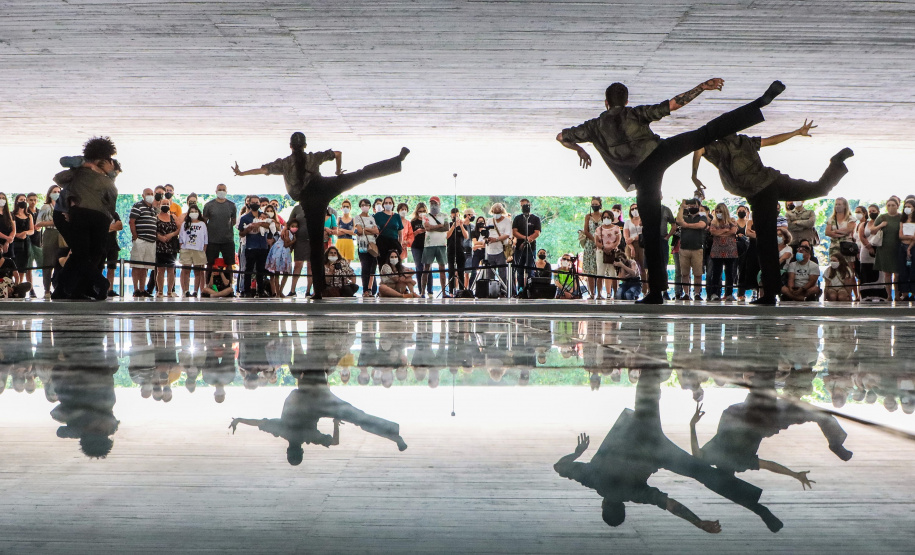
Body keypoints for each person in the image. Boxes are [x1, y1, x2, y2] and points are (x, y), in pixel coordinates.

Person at [559, 79, 784, 304]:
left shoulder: (593, 126)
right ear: (626, 101)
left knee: (651, 232)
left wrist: (579, 148)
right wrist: (701, 87)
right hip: (659, 154)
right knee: (706, 132)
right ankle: (760, 103)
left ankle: (656, 292)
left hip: (642, 174)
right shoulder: (635, 113)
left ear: (606, 102)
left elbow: (561, 137)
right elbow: (674, 104)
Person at [554, 368, 783, 533]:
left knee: (701, 471)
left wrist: (698, 522)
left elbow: (671, 505)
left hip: (656, 449)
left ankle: (758, 508)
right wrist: (578, 452)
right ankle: (652, 361)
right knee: (647, 387)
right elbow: (560, 466)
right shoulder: (592, 480)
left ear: (622, 507)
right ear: (603, 506)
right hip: (638, 429)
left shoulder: (634, 494)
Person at [691, 119, 853, 304]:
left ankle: (769, 294)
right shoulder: (742, 141)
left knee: (766, 244)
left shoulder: (722, 146)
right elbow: (771, 140)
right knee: (818, 189)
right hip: (774, 181)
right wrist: (795, 132)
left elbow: (699, 149)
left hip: (761, 193)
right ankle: (836, 164)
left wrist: (694, 174)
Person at [232, 132, 408, 299]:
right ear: (305, 145)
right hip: (325, 187)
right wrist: (338, 172)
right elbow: (338, 153)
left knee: (316, 247)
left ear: (291, 146)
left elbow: (262, 170)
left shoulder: (284, 163)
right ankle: (396, 162)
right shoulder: (313, 156)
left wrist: (241, 173)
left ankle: (318, 291)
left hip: (309, 200)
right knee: (360, 175)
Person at [52, 137, 120, 300]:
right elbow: (60, 176)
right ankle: (90, 285)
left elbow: (109, 198)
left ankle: (69, 289)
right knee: (82, 253)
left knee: (85, 253)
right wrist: (84, 164)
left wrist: (109, 174)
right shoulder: (81, 169)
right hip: (66, 213)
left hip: (81, 215)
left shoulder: (106, 178)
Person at [202, 183, 237, 291]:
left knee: (230, 264)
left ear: (226, 191)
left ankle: (229, 286)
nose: (221, 191)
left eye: (223, 189)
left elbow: (234, 221)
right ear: (216, 191)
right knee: (209, 264)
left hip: (228, 240)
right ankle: (207, 286)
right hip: (212, 240)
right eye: (219, 189)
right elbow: (204, 220)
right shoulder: (209, 205)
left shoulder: (231, 205)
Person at [238, 197, 271, 297]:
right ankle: (247, 290)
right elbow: (241, 233)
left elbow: (271, 226)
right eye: (253, 202)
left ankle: (260, 290)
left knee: (261, 270)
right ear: (249, 204)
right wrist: (248, 229)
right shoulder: (244, 218)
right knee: (249, 269)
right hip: (251, 247)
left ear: (259, 203)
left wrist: (260, 224)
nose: (255, 204)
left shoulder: (264, 216)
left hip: (263, 246)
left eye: (257, 202)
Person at [676, 199, 708, 301]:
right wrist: (682, 207)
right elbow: (678, 221)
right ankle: (686, 293)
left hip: (697, 248)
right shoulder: (685, 216)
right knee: (684, 273)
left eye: (694, 205)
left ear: (698, 206)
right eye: (689, 205)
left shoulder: (702, 216)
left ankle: (697, 293)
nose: (692, 207)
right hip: (684, 248)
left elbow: (702, 225)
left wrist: (687, 225)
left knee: (698, 273)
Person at [128, 188, 157, 297]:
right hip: (140, 240)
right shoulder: (137, 206)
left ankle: (142, 289)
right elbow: (132, 221)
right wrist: (135, 237)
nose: (150, 195)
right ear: (143, 195)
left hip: (151, 241)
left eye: (151, 194)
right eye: (148, 194)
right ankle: (136, 289)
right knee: (137, 265)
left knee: (145, 266)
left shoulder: (153, 208)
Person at [707, 204, 739, 302]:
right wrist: (725, 230)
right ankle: (714, 293)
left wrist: (720, 231)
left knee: (729, 272)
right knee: (716, 272)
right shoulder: (714, 222)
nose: (718, 214)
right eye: (716, 212)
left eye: (720, 212)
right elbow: (713, 232)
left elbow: (733, 231)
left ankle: (729, 294)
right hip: (717, 250)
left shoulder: (732, 221)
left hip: (730, 250)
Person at [35, 185, 61, 298]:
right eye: (54, 191)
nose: (57, 193)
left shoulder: (63, 206)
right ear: (50, 193)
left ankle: (58, 287)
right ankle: (46, 289)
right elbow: (38, 224)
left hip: (61, 234)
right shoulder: (46, 207)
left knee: (60, 261)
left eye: (58, 191)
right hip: (50, 234)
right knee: (48, 262)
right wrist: (53, 222)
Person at [872, 197, 901, 300]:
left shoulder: (901, 217)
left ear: (898, 206)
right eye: (888, 205)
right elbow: (872, 231)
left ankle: (897, 294)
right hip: (884, 249)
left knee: (897, 274)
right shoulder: (882, 217)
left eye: (893, 205)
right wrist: (881, 225)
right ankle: (889, 295)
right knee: (887, 274)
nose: (891, 207)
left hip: (898, 249)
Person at [511, 198, 541, 294]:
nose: (524, 207)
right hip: (519, 248)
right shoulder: (517, 218)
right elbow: (514, 232)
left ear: (529, 205)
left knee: (530, 270)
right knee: (519, 270)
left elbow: (537, 232)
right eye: (522, 205)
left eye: (525, 205)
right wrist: (524, 238)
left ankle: (530, 289)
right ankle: (520, 289)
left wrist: (529, 239)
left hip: (531, 248)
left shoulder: (535, 219)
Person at [420, 196, 448, 296]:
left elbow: (446, 228)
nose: (433, 205)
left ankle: (444, 292)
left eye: (435, 203)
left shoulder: (444, 215)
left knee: (442, 268)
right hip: (429, 245)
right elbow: (427, 228)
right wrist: (439, 226)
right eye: (432, 203)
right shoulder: (425, 216)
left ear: (439, 204)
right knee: (426, 268)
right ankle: (423, 292)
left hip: (441, 245)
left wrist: (434, 227)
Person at [178, 204, 208, 297]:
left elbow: (205, 238)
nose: (194, 213)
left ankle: (195, 291)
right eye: (192, 211)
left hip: (198, 250)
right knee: (186, 271)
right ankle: (186, 291)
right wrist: (182, 246)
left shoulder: (202, 224)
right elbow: (181, 236)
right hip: (186, 249)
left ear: (198, 213)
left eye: (195, 211)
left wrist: (204, 249)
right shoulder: (185, 224)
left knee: (198, 272)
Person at [594, 209, 622, 299]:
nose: (606, 219)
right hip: (601, 252)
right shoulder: (599, 229)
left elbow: (618, 241)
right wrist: (604, 248)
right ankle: (599, 294)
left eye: (608, 217)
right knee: (600, 274)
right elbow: (596, 241)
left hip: (613, 253)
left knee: (613, 274)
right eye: (604, 217)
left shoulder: (616, 228)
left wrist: (611, 247)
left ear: (611, 218)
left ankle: (615, 293)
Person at [354, 198, 379, 297]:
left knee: (372, 267)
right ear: (360, 206)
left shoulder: (372, 218)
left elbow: (376, 231)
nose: (365, 206)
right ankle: (365, 290)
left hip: (372, 245)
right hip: (363, 245)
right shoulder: (357, 217)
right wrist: (369, 230)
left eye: (367, 205)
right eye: (363, 205)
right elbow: (359, 231)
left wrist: (365, 229)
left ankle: (370, 289)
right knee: (365, 267)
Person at [485, 202, 513, 292]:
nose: (496, 215)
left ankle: (504, 291)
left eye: (498, 213)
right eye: (495, 213)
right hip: (490, 250)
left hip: (501, 250)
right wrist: (487, 239)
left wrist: (496, 239)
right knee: (489, 274)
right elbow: (485, 233)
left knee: (502, 273)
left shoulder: (507, 221)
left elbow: (507, 234)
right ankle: (491, 291)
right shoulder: (489, 221)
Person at [155, 199, 180, 298]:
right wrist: (159, 237)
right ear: (159, 205)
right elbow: (153, 229)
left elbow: (179, 229)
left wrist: (171, 234)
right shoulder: (155, 217)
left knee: (171, 269)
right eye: (163, 204)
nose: (165, 205)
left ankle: (170, 291)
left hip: (171, 247)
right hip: (160, 246)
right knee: (160, 270)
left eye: (167, 204)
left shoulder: (173, 217)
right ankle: (160, 291)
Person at [266, 208, 294, 297]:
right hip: (279, 252)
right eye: (292, 226)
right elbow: (286, 244)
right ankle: (277, 292)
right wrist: (294, 241)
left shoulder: (292, 233)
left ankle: (280, 291)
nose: (294, 228)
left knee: (286, 272)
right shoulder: (286, 231)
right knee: (277, 272)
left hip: (286, 253)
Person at [408, 202, 432, 298]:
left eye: (423, 211)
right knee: (419, 268)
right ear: (417, 212)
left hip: (428, 245)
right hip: (416, 246)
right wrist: (416, 232)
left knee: (428, 269)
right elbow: (409, 236)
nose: (422, 213)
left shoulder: (429, 220)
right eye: (420, 211)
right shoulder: (413, 222)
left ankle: (430, 290)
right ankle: (421, 290)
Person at [286, 203, 310, 296]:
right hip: (299, 240)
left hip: (312, 241)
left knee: (310, 266)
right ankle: (292, 290)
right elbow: (289, 223)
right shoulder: (297, 208)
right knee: (298, 265)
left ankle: (308, 291)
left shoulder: (316, 206)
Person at [734, 205, 757, 301]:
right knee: (742, 270)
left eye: (744, 210)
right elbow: (748, 233)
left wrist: (755, 234)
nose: (742, 212)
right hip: (743, 249)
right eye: (740, 210)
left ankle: (756, 293)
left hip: (756, 248)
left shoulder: (751, 221)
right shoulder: (748, 222)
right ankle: (740, 294)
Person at [623, 203, 647, 294]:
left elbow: (644, 234)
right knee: (630, 269)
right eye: (632, 209)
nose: (634, 210)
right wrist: (631, 247)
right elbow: (626, 238)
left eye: (636, 208)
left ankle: (645, 290)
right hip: (630, 246)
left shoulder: (644, 220)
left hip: (642, 245)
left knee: (643, 269)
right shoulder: (628, 222)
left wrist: (634, 238)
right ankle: (631, 291)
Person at [10, 194, 34, 286]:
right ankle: (13, 285)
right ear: (17, 201)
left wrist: (25, 233)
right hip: (14, 242)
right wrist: (17, 235)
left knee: (23, 266)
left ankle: (19, 286)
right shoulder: (12, 214)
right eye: (21, 199)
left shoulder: (29, 215)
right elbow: (10, 229)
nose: (23, 201)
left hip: (25, 243)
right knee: (14, 264)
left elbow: (32, 230)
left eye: (24, 199)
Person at [825, 197, 856, 267]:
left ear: (845, 206)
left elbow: (849, 230)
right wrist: (840, 233)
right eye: (836, 204)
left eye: (839, 204)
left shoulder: (850, 218)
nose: (837, 206)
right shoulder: (831, 219)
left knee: (849, 268)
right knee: (835, 267)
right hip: (834, 247)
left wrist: (835, 232)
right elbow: (827, 232)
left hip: (847, 247)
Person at [446, 207, 470, 295]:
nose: (454, 218)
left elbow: (466, 236)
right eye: (453, 217)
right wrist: (453, 226)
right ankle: (451, 291)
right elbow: (447, 236)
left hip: (460, 250)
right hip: (450, 250)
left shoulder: (462, 225)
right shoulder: (449, 225)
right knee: (451, 271)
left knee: (461, 271)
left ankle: (461, 290)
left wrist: (461, 225)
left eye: (456, 216)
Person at [581, 197, 602, 298]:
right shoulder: (588, 216)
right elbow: (586, 230)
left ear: (600, 204)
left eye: (596, 204)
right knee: (590, 270)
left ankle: (600, 293)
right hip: (590, 244)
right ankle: (592, 293)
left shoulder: (604, 215)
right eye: (592, 204)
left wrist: (600, 241)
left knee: (600, 270)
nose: (594, 206)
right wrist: (594, 240)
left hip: (601, 244)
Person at [897, 198, 915, 301]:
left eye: (909, 207)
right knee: (903, 271)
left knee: (913, 270)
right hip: (902, 247)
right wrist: (909, 237)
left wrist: (910, 247)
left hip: (912, 247)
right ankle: (904, 293)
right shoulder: (903, 220)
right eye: (906, 207)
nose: (907, 209)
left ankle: (913, 293)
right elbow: (900, 236)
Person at [102, 212, 122, 297]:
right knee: (99, 266)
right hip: (101, 244)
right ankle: (99, 287)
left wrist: (107, 227)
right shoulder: (99, 213)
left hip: (112, 245)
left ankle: (110, 289)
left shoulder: (114, 214)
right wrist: (112, 227)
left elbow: (119, 226)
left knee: (112, 267)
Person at [24, 192, 41, 296]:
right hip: (28, 241)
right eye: (31, 200)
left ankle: (48, 287)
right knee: (28, 266)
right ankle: (31, 288)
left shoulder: (40, 212)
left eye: (35, 200)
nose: (33, 202)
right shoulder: (25, 212)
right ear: (27, 200)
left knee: (44, 264)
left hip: (38, 241)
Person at [469, 215, 488, 287]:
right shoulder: (474, 231)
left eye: (482, 222)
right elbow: (475, 242)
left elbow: (486, 243)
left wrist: (478, 246)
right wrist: (480, 244)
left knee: (486, 270)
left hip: (485, 252)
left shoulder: (487, 231)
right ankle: (470, 288)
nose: (480, 223)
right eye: (479, 222)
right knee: (473, 271)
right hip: (477, 253)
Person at [0, 193, 15, 277]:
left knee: (9, 266)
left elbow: (14, 230)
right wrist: (6, 238)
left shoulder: (10, 214)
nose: (1, 200)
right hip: (1, 241)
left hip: (9, 243)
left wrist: (7, 242)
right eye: (0, 198)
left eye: (3, 198)